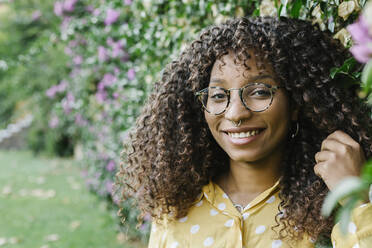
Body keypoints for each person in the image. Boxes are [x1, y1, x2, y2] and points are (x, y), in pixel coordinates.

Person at [118, 16, 372, 248]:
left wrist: (355, 200)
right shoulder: (174, 208)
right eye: (218, 95)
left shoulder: (328, 208)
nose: (236, 114)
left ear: (295, 102)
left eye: (260, 91)